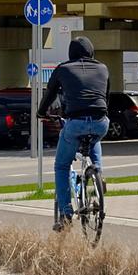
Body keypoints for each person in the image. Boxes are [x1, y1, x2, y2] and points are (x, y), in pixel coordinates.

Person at [37, 36, 110, 231]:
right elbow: (105, 96)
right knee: (93, 137)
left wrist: (40, 112)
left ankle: (66, 214)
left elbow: (50, 94)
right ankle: (98, 172)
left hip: (75, 122)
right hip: (100, 121)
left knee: (61, 166)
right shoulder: (103, 68)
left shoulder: (63, 69)